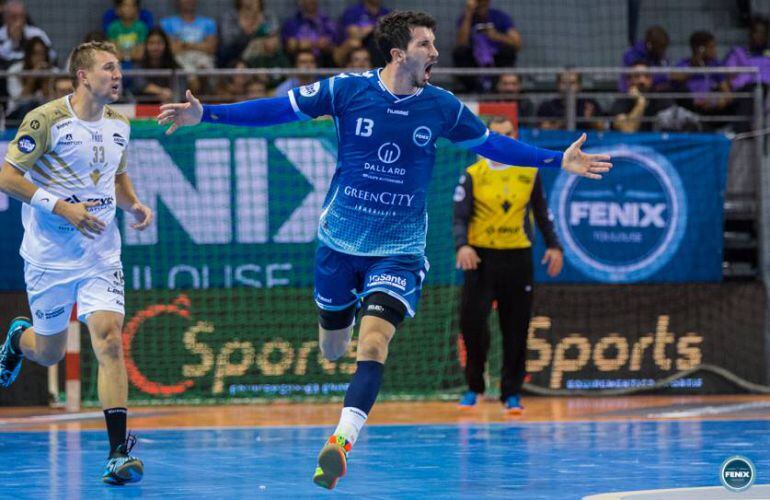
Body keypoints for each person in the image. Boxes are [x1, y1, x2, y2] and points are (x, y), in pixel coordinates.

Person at [156, 11, 610, 490]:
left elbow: (493, 144)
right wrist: (207, 113)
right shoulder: (347, 90)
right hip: (339, 242)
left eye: (434, 44)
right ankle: (341, 320)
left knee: (373, 343)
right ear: (398, 54)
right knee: (333, 349)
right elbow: (277, 109)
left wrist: (557, 158)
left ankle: (340, 442)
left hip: (399, 249)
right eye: (425, 45)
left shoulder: (442, 106)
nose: (435, 53)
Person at [0, 41, 153, 485]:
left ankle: (117, 453)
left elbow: (115, 177)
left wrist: (134, 205)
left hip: (100, 254)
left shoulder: (120, 125)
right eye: (109, 68)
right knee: (48, 353)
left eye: (119, 67)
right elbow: (7, 177)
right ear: (84, 76)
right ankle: (17, 337)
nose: (118, 75)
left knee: (107, 339)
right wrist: (60, 206)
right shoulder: (45, 120)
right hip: (49, 258)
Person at [453, 116, 563, 414]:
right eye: (497, 135)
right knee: (473, 324)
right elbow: (460, 216)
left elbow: (542, 213)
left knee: (516, 327)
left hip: (517, 258)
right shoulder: (474, 174)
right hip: (481, 259)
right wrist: (462, 245)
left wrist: (554, 246)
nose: (502, 139)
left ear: (515, 137)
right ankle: (474, 386)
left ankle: (511, 393)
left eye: (508, 134)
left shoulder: (529, 172)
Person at [453, 0, 521, 92]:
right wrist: (469, 13)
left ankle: (499, 87)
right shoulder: (466, 18)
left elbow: (517, 44)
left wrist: (496, 36)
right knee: (460, 53)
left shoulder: (500, 17)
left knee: (509, 51)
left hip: (497, 60)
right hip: (475, 60)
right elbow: (461, 43)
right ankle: (473, 89)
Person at [611, 61, 673, 133]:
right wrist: (641, 102)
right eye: (637, 76)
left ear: (651, 80)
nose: (642, 81)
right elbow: (627, 130)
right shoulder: (622, 101)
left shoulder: (660, 98)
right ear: (629, 81)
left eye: (646, 76)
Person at [537, 70, 605, 130]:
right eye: (564, 83)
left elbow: (603, 128)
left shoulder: (590, 104)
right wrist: (559, 125)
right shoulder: (547, 106)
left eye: (572, 83)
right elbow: (542, 130)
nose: (568, 87)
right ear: (558, 85)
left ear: (579, 85)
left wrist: (591, 120)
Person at [620, 25, 670, 91]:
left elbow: (665, 77)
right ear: (650, 45)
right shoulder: (632, 55)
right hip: (631, 92)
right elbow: (639, 78)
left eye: (664, 48)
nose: (663, 51)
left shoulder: (660, 57)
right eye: (660, 48)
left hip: (655, 92)